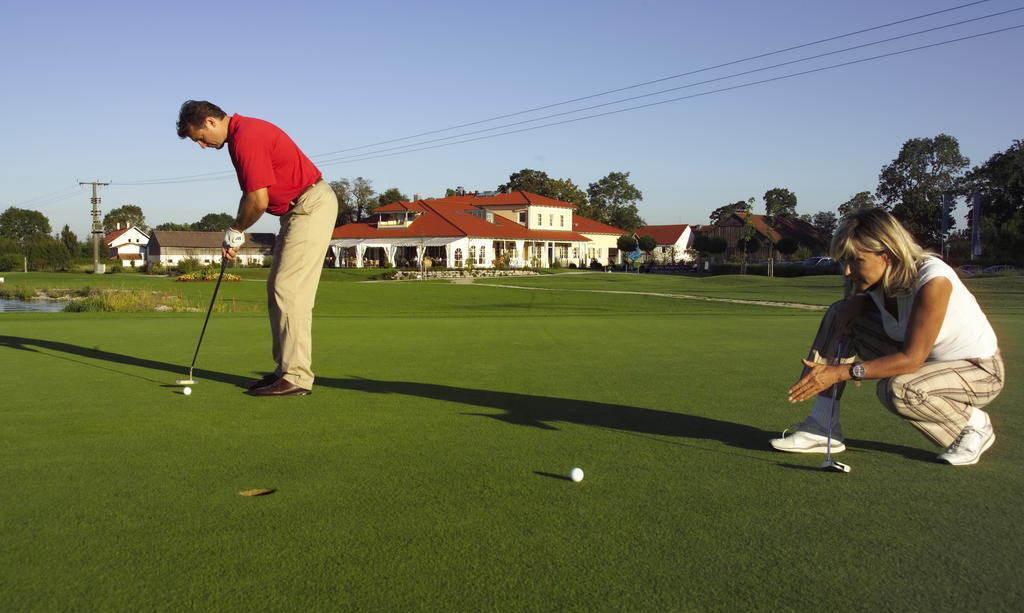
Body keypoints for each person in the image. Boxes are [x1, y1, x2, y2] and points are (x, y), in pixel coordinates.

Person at [772, 208, 1004, 465]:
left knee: (899, 388)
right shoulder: (872, 282)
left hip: (979, 371)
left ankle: (975, 424)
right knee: (839, 312)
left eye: (856, 260)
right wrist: (858, 301)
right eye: (844, 261)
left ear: (889, 254)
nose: (847, 271)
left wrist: (841, 372)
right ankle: (822, 425)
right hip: (928, 366)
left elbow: (912, 360)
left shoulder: (933, 280)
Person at [176, 100, 338, 396]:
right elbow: (251, 195)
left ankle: (297, 376)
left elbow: (258, 201)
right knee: (279, 288)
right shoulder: (241, 135)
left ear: (210, 122)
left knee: (289, 290)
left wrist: (238, 229)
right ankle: (285, 370)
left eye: (199, 137)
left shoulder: (245, 138)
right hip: (299, 209)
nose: (201, 145)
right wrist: (235, 231)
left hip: (310, 205)